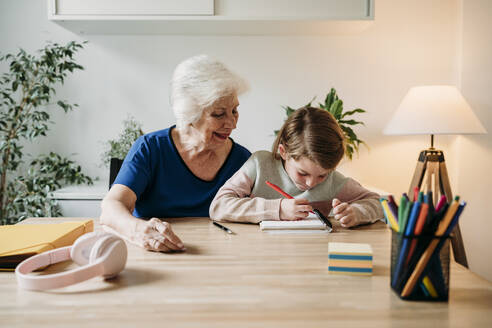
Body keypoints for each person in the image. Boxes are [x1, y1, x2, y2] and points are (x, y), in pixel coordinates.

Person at [100, 55, 251, 252]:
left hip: (218, 257)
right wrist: (139, 230)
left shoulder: (242, 159)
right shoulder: (150, 148)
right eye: (219, 114)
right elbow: (111, 208)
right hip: (154, 255)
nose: (232, 123)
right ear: (190, 113)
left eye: (234, 111)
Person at [209, 106, 383, 227]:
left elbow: (379, 203)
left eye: (322, 175)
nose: (311, 183)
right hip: (258, 256)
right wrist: (277, 209)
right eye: (302, 173)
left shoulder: (333, 182)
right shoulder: (260, 165)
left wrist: (356, 213)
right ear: (283, 151)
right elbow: (218, 207)